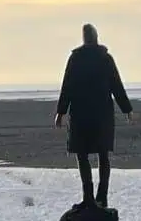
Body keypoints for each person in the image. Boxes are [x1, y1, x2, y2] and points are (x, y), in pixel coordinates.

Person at [54, 23, 132, 208]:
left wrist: (61, 112)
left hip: (82, 114)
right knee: (101, 155)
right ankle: (100, 197)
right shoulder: (104, 58)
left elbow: (68, 86)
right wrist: (126, 109)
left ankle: (90, 197)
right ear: (96, 37)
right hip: (101, 114)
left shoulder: (76, 59)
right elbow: (116, 85)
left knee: (84, 155)